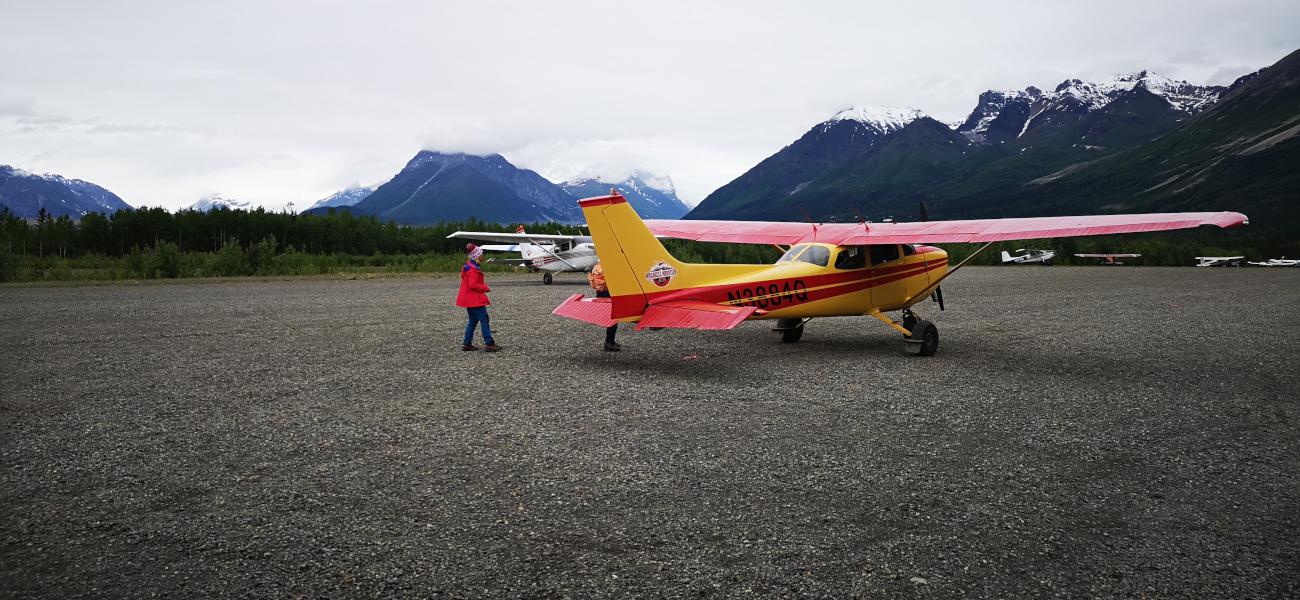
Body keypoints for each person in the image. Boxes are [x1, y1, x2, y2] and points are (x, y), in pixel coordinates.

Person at [457, 243, 501, 352]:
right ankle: (489, 343)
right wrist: (485, 288)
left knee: (473, 320)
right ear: (477, 256)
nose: (483, 256)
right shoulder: (473, 270)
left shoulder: (469, 267)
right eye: (481, 254)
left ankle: (467, 343)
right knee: (484, 319)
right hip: (474, 299)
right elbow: (473, 285)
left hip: (468, 299)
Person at [588, 262, 620, 351]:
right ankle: (609, 343)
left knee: (611, 319)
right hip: (609, 294)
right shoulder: (609, 267)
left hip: (600, 294)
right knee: (613, 320)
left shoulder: (596, 267)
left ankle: (610, 342)